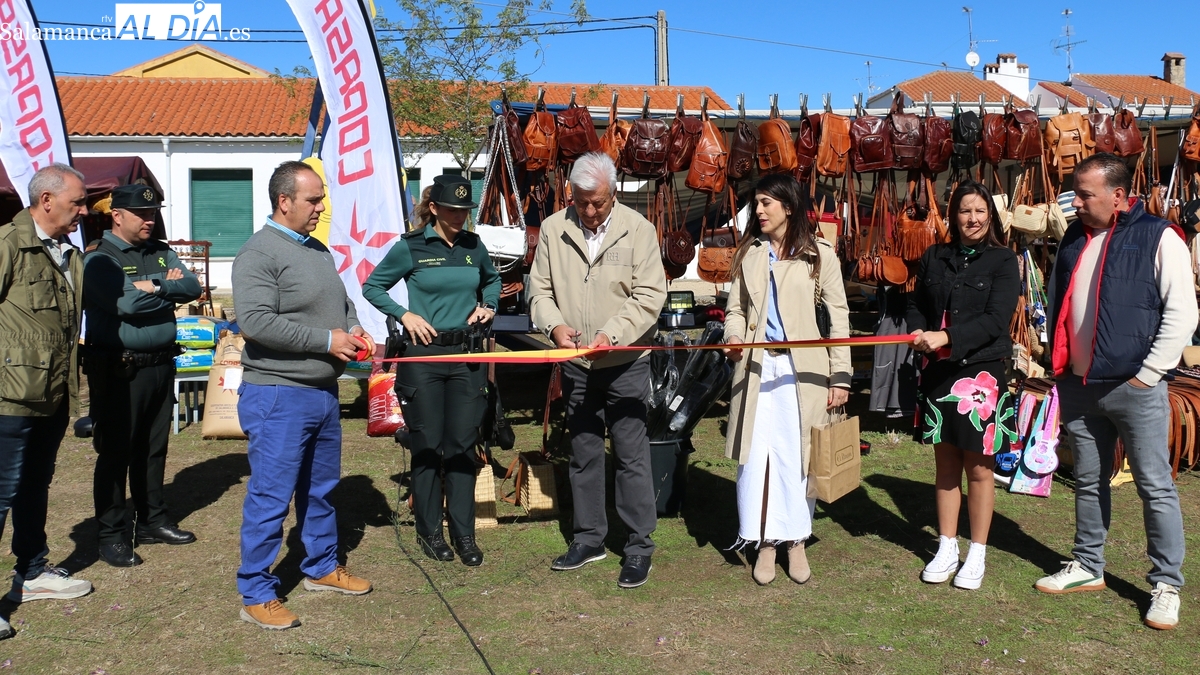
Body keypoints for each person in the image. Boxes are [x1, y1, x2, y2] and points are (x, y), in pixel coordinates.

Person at [1036, 153, 1196, 631]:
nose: (1076, 202)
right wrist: (1058, 362)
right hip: (1079, 385)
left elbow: (1182, 312)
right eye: (1075, 192)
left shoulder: (1159, 236)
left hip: (1135, 386)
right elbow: (1056, 296)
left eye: (1085, 194)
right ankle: (1088, 565)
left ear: (1119, 196)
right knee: (1088, 479)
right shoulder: (1072, 236)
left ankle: (1166, 584)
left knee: (1155, 485)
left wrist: (1149, 374)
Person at [232, 161, 376, 630]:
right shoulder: (258, 253)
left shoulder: (316, 250)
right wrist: (325, 341)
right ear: (284, 201)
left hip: (321, 392)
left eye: (322, 199)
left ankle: (320, 567)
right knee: (271, 498)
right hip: (277, 394)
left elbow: (340, 302)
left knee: (321, 491)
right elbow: (255, 322)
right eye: (313, 200)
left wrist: (352, 326)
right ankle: (255, 590)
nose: (321, 207)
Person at [528, 152, 666, 589]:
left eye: (598, 203)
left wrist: (612, 333)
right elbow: (539, 289)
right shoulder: (553, 228)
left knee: (631, 455)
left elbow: (648, 295)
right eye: (582, 201)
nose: (589, 211)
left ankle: (639, 546)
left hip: (625, 362)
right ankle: (590, 539)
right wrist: (555, 326)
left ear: (613, 194)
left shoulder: (640, 230)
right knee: (584, 452)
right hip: (576, 364)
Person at [362, 175, 501, 566]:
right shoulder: (411, 246)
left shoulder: (475, 246)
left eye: (465, 211)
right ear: (435, 208)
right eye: (453, 210)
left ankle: (465, 535)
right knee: (428, 447)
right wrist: (404, 314)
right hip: (422, 358)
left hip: (465, 358)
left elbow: (492, 282)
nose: (460, 217)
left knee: (460, 448)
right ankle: (429, 533)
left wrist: (488, 306)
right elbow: (373, 287)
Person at [722, 173, 851, 586]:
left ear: (788, 207)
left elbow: (839, 318)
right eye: (756, 204)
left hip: (805, 373)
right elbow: (735, 311)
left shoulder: (819, 256)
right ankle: (763, 542)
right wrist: (734, 336)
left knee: (798, 457)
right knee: (757, 457)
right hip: (758, 369)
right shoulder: (750, 255)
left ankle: (795, 540)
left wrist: (841, 376)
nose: (757, 211)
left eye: (765, 203)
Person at [906, 180, 1019, 590]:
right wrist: (920, 330)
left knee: (980, 469)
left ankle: (977, 552)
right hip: (939, 373)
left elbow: (996, 319)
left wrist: (947, 337)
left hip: (982, 376)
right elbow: (916, 302)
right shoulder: (935, 255)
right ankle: (947, 544)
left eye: (979, 211)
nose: (972, 218)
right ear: (953, 215)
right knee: (945, 465)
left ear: (990, 216)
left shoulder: (1004, 261)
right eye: (964, 211)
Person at [83, 184, 203, 568]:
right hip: (121, 368)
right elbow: (127, 305)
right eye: (141, 214)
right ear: (117, 216)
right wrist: (166, 291)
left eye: (153, 213)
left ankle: (153, 520)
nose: (150, 220)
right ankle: (112, 534)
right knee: (116, 452)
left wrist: (155, 285)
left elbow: (192, 287)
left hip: (161, 363)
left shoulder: (161, 251)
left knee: (153, 450)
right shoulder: (100, 258)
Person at [0, 164, 93, 639]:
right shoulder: (9, 244)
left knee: (35, 485)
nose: (84, 210)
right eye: (77, 202)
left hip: (53, 393)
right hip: (8, 398)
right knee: (1, 492)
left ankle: (31, 572)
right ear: (47, 200)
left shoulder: (68, 253)